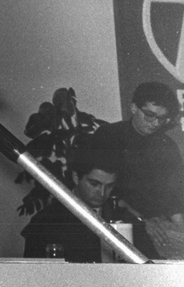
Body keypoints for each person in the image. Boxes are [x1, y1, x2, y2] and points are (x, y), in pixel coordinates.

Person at [21, 142, 137, 262]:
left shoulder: (124, 217)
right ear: (76, 177)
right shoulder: (45, 221)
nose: (102, 193)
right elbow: (33, 271)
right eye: (94, 184)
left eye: (109, 186)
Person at [88, 81, 184, 223]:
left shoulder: (167, 145)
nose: (156, 123)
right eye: (150, 115)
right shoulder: (109, 135)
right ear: (134, 108)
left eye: (162, 118)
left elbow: (174, 198)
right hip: (118, 217)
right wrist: (142, 220)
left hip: (158, 221)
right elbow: (106, 191)